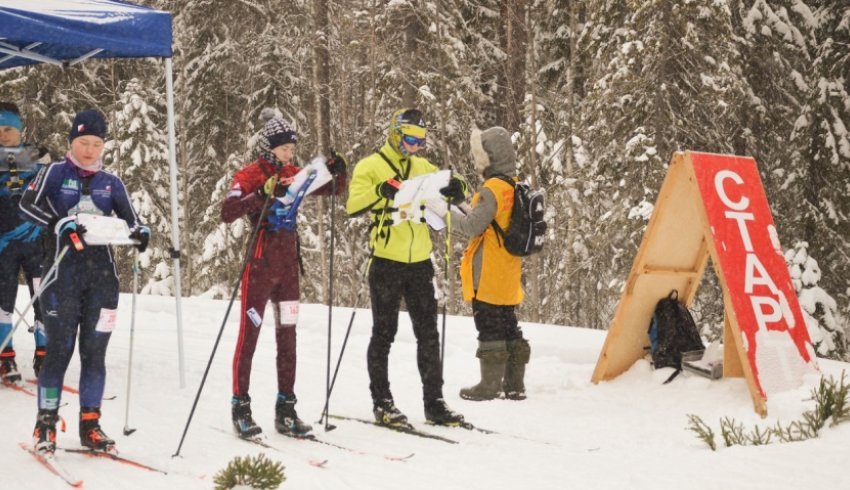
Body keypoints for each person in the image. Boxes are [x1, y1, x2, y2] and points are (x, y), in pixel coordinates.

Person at [19, 109, 150, 454]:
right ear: (72, 142)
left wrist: (141, 234)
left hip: (102, 280)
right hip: (62, 276)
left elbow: (132, 222)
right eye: (83, 142)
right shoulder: (54, 173)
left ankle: (90, 424)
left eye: (96, 144)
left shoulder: (112, 182)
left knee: (95, 354)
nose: (90, 150)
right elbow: (26, 206)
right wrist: (59, 223)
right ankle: (45, 425)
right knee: (59, 352)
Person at [221, 108, 347, 438]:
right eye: (283, 149)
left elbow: (331, 190)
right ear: (268, 147)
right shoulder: (250, 174)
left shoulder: (294, 172)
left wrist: (337, 173)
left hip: (288, 268)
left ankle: (286, 408)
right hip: (260, 266)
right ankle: (241, 406)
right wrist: (261, 194)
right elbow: (228, 211)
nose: (289, 154)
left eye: (292, 148)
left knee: (287, 338)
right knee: (248, 337)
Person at [346, 108, 469, 427]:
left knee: (428, 334)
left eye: (421, 141)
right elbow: (352, 205)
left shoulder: (422, 167)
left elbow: (455, 186)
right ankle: (382, 402)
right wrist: (380, 191)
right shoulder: (370, 166)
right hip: (386, 262)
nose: (416, 146)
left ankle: (434, 403)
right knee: (384, 333)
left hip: (419, 264)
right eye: (411, 139)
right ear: (396, 134)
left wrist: (459, 190)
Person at [453, 127, 530, 401]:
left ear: (489, 157)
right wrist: (462, 204)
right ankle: (514, 385)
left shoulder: (492, 188)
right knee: (508, 324)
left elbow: (474, 226)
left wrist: (445, 212)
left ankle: (489, 386)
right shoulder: (514, 185)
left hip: (487, 272)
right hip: (508, 272)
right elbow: (493, 221)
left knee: (488, 326)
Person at [0, 101, 50, 383]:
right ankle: (5, 359)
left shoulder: (38, 156)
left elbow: (55, 193)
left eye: (8, 128)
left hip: (37, 244)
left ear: (19, 128)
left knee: (43, 299)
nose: (3, 134)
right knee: (2, 302)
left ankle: (44, 354)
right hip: (3, 246)